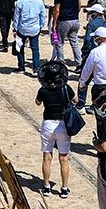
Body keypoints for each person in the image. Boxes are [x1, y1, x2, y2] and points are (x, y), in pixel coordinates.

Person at [35, 64, 75, 198]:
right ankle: (64, 188)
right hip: (62, 124)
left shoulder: (43, 90)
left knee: (47, 157)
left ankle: (46, 187)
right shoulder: (66, 88)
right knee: (64, 158)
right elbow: (76, 100)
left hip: (48, 124)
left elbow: (38, 102)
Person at [13, 0, 48, 74]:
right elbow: (43, 16)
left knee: (20, 47)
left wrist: (15, 28)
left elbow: (16, 17)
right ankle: (36, 68)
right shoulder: (39, 2)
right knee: (35, 49)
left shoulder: (20, 2)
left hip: (22, 28)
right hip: (34, 28)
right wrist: (41, 26)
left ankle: (21, 66)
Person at [49, 0, 82, 64]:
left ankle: (61, 62)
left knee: (58, 42)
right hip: (75, 20)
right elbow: (79, 6)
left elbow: (57, 10)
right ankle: (79, 63)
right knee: (74, 42)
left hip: (63, 21)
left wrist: (54, 24)